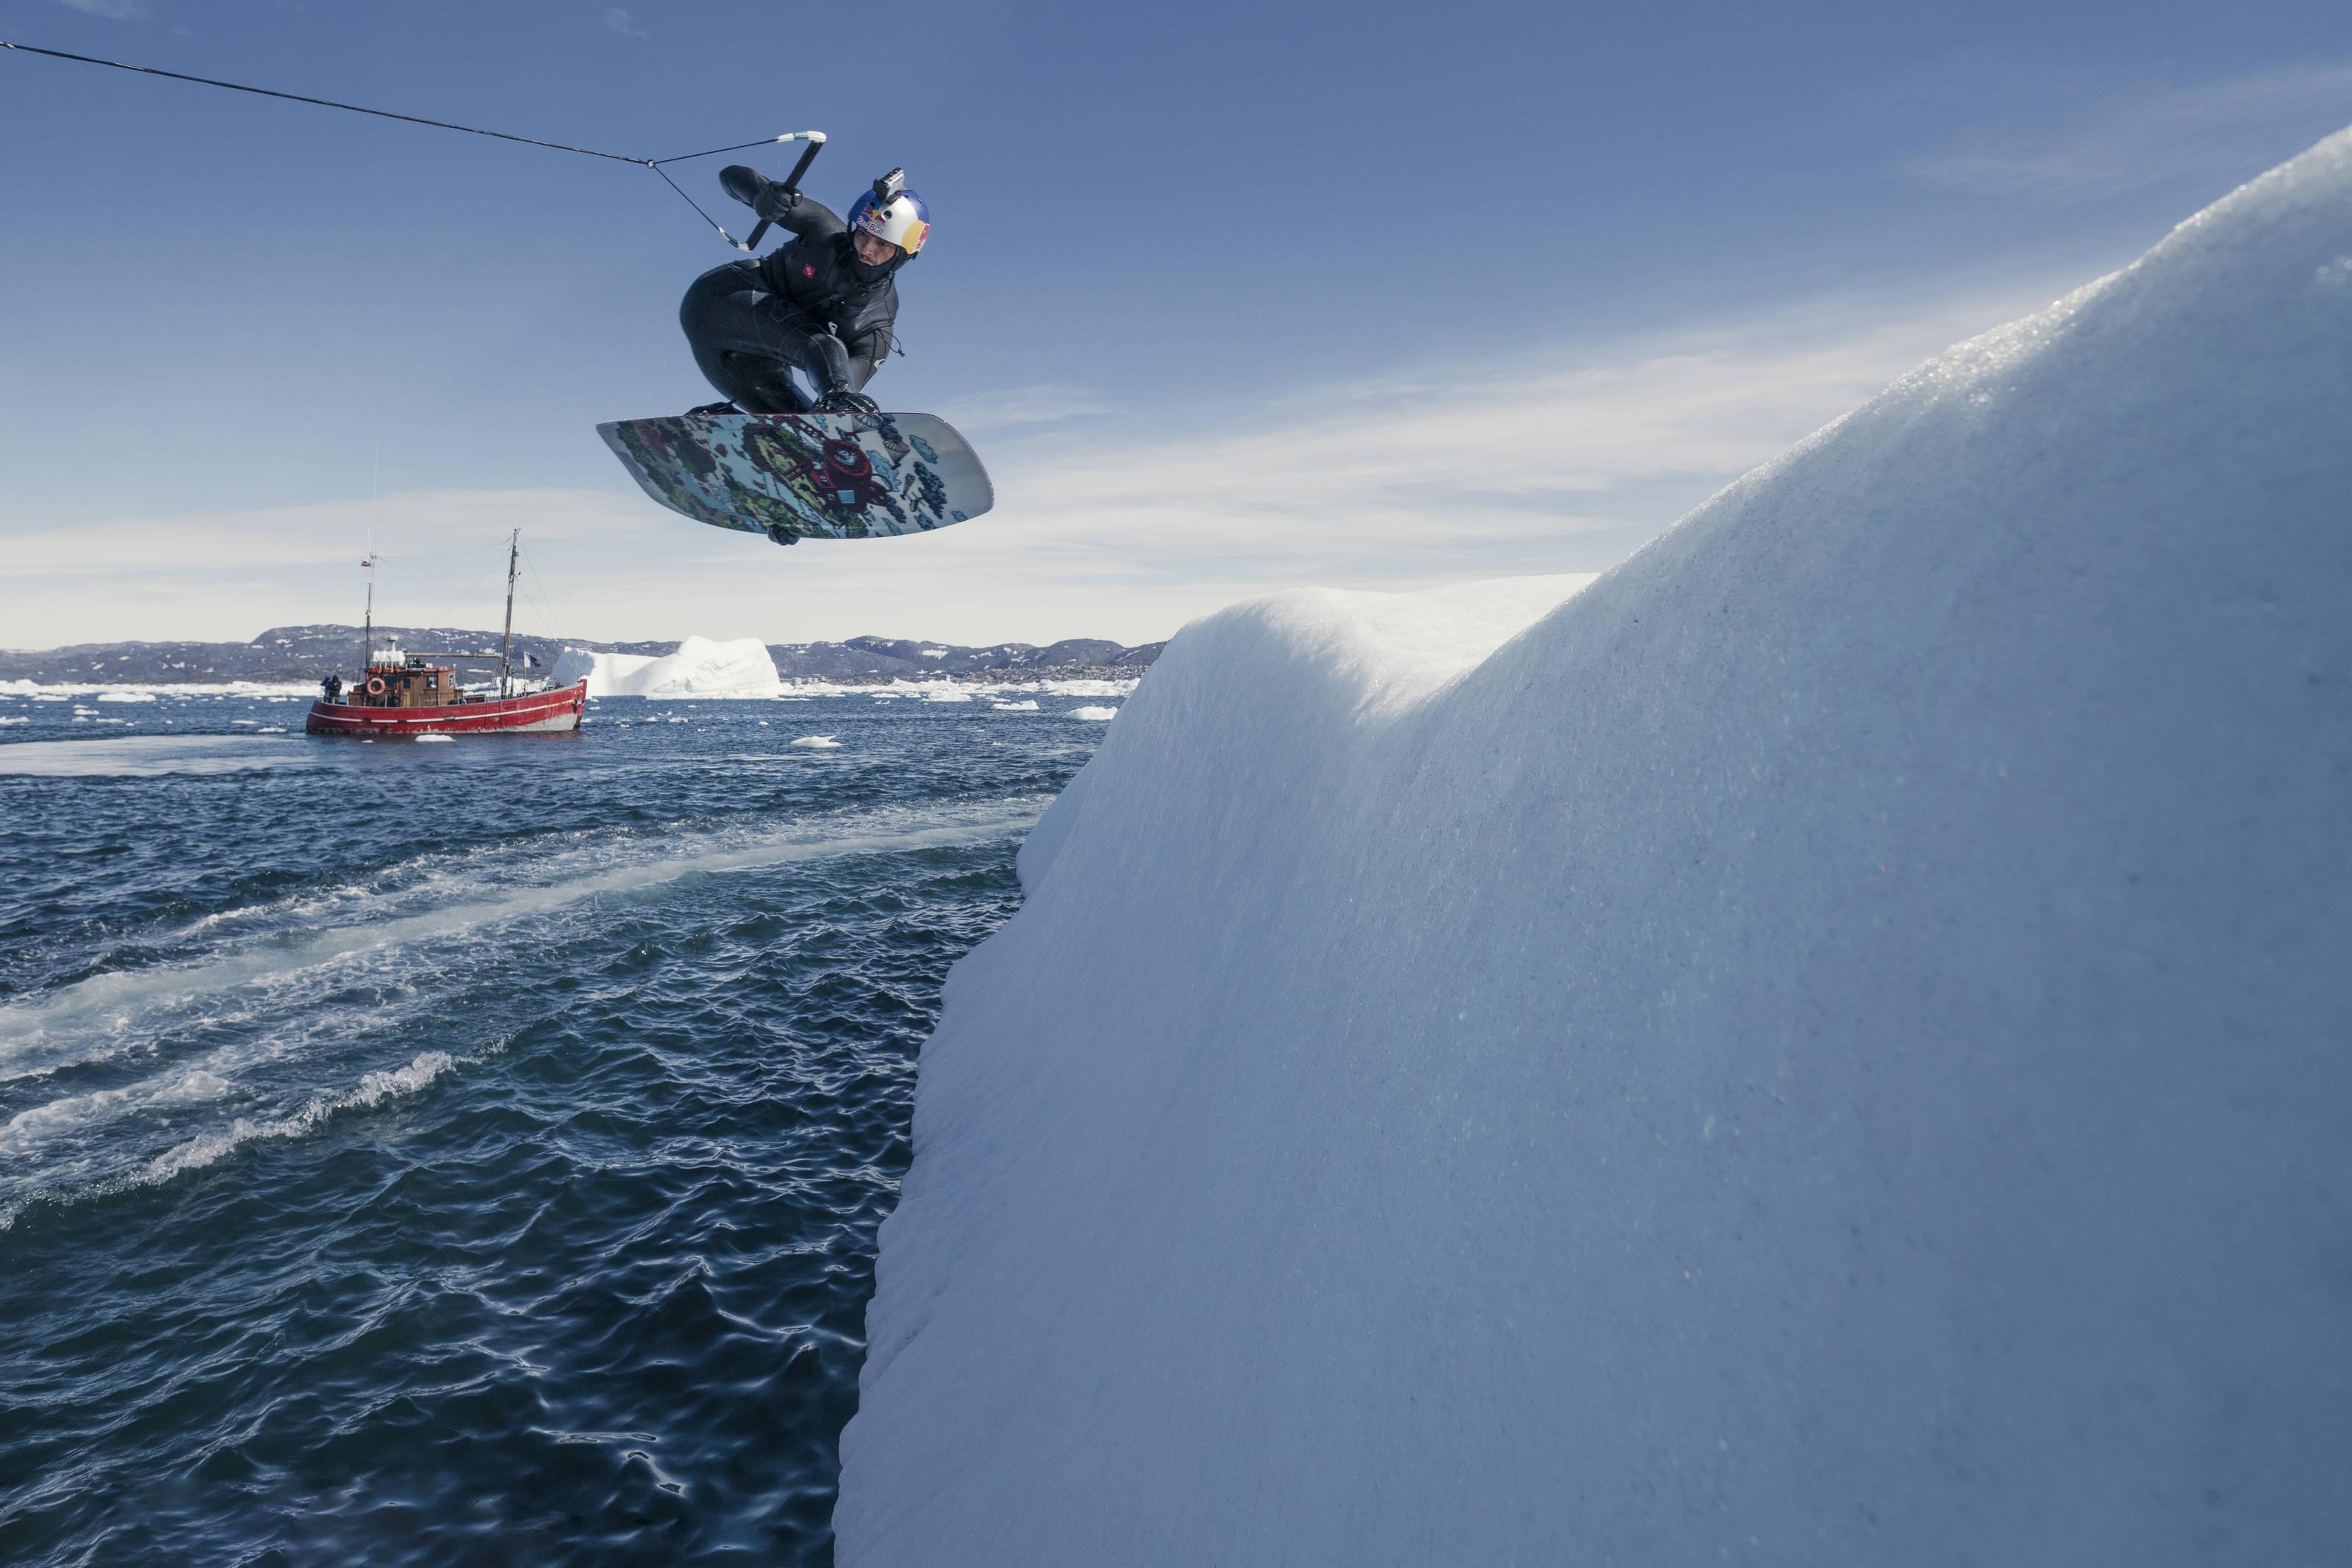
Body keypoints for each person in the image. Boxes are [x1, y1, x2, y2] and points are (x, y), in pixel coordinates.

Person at [678, 165, 930, 416]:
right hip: (718, 299)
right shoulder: (825, 231)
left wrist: (838, 408)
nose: (866, 249)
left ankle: (713, 429)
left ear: (904, 254)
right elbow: (730, 176)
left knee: (798, 422)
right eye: (863, 233)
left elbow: (840, 395)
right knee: (824, 347)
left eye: (883, 243)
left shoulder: (878, 323)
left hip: (741, 355)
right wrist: (761, 195)